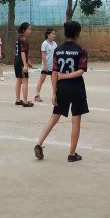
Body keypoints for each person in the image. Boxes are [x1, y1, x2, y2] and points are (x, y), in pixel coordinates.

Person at [34, 21, 88, 163]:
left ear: (65, 33)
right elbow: (81, 71)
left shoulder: (58, 50)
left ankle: (39, 143)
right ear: (77, 33)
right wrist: (65, 76)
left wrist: (54, 92)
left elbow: (54, 73)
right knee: (76, 119)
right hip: (77, 87)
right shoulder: (81, 49)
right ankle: (72, 154)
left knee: (54, 117)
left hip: (61, 87)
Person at [34, 28, 57, 102]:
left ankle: (55, 96)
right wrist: (45, 66)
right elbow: (43, 56)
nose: (54, 35)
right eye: (52, 34)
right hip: (46, 66)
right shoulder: (44, 44)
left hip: (53, 66)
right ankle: (36, 96)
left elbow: (56, 55)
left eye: (54, 34)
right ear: (48, 35)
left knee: (54, 81)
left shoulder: (55, 44)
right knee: (42, 80)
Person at [14, 22, 33, 107]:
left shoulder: (19, 38)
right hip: (21, 62)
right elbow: (22, 52)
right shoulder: (23, 39)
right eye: (29, 29)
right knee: (25, 80)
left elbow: (21, 52)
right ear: (24, 30)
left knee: (19, 80)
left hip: (17, 60)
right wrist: (25, 65)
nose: (30, 30)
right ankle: (25, 101)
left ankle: (18, 100)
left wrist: (28, 62)